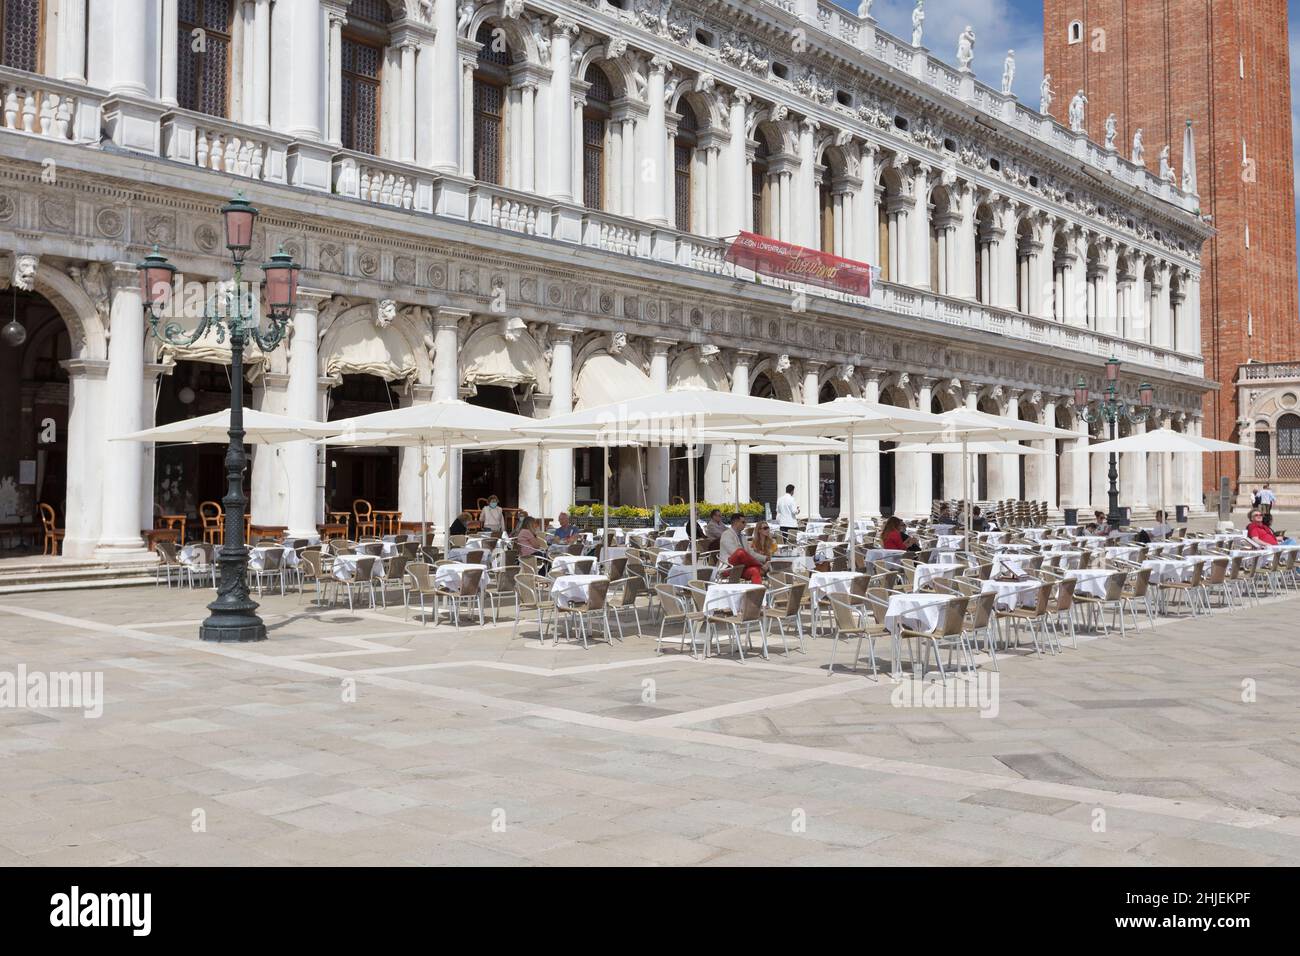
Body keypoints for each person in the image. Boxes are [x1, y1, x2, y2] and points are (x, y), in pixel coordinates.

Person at [720, 513, 768, 584]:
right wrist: (760, 564)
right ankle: (761, 566)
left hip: (740, 567)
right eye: (743, 522)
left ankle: (758, 593)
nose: (745, 524)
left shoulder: (742, 536)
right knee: (740, 552)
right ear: (736, 522)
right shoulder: (726, 534)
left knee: (755, 570)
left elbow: (751, 553)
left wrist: (765, 558)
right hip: (728, 568)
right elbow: (736, 553)